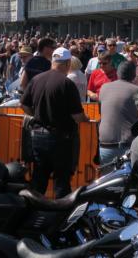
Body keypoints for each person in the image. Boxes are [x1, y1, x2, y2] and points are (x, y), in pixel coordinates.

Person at [21, 47, 88, 198]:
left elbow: (23, 105)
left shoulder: (36, 79)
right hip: (60, 139)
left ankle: (32, 210)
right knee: (61, 182)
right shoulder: (67, 84)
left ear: (52, 61)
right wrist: (86, 119)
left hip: (38, 136)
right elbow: (77, 116)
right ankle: (60, 212)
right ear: (68, 63)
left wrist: (36, 115)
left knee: (39, 179)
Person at [97, 61, 138, 164]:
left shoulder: (104, 88)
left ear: (118, 73)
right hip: (127, 148)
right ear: (134, 75)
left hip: (104, 146)